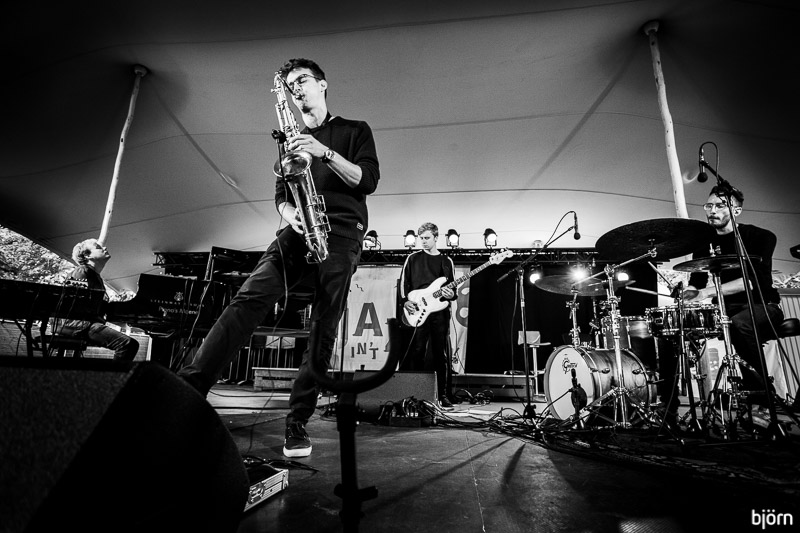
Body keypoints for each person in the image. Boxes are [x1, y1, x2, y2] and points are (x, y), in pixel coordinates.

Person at [178, 58, 380, 458]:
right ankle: (187, 390)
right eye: (291, 85)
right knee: (247, 299)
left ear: (323, 84)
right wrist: (292, 216)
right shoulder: (291, 141)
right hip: (300, 229)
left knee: (323, 326)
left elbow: (368, 181)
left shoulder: (355, 130)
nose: (297, 89)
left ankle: (297, 421)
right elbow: (280, 198)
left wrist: (324, 152)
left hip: (342, 233)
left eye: (302, 80)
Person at [683, 184, 783, 408]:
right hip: (725, 310)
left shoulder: (760, 237)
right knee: (675, 329)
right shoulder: (704, 243)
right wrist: (689, 292)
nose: (712, 211)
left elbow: (751, 281)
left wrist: (705, 292)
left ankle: (761, 393)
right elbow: (697, 280)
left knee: (739, 324)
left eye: (720, 206)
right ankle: (668, 405)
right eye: (709, 205)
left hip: (763, 306)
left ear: (736, 210)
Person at [399, 222, 457, 409]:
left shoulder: (446, 261)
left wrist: (451, 294)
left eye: (427, 238)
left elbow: (452, 288)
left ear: (436, 237)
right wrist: (404, 301)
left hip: (439, 312)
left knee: (441, 353)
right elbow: (404, 283)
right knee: (416, 351)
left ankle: (442, 395)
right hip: (418, 309)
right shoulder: (412, 258)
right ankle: (413, 394)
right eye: (421, 238)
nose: (423, 241)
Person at [63, 238, 139, 360]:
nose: (104, 248)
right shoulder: (82, 272)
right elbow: (72, 303)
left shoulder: (94, 275)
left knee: (129, 344)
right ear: (87, 256)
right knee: (127, 344)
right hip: (78, 325)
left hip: (85, 324)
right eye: (98, 247)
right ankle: (114, 373)